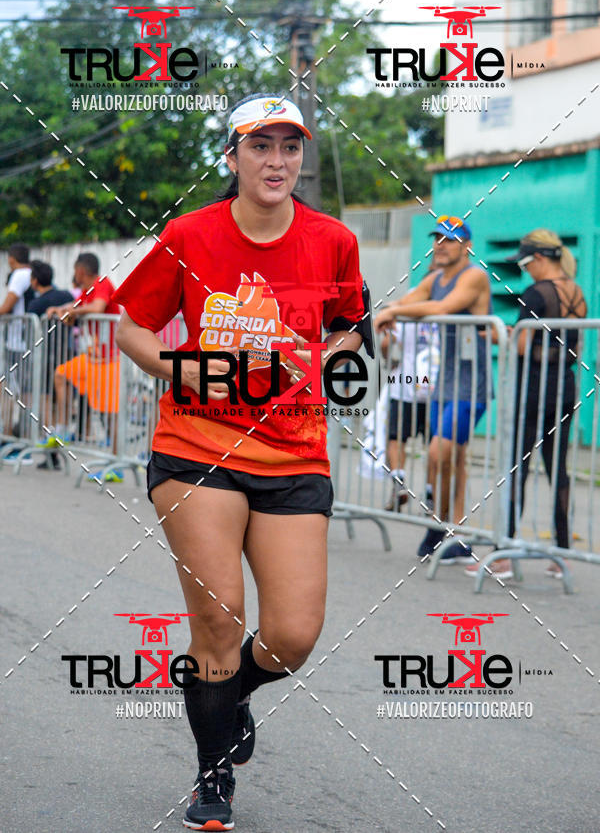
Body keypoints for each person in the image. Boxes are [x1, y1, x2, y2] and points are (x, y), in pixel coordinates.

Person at [114, 93, 368, 831]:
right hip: (197, 446)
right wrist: (186, 369)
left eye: (290, 147)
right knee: (220, 619)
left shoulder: (333, 241)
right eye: (260, 146)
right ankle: (213, 772)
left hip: (294, 450)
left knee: (292, 636)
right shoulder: (190, 234)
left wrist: (323, 359)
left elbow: (350, 326)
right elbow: (132, 328)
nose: (276, 161)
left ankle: (229, 696)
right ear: (232, 157)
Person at [466, 229, 587, 581]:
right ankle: (561, 554)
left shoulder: (536, 293)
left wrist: (501, 335)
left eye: (525, 263)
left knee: (516, 467)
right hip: (564, 387)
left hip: (533, 389)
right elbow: (568, 343)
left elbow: (522, 344)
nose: (525, 270)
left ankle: (502, 555)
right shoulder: (576, 292)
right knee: (557, 469)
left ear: (540, 259)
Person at [374, 215, 492, 563]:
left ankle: (441, 527)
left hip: (471, 383)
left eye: (450, 240)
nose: (441, 245)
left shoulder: (474, 276)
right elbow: (408, 301)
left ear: (467, 246)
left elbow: (441, 308)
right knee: (452, 460)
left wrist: (391, 313)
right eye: (437, 238)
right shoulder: (434, 278)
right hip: (444, 380)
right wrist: (391, 310)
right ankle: (453, 532)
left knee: (440, 454)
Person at [43, 253, 120, 451]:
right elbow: (74, 306)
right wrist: (59, 309)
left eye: (74, 270)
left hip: (110, 359)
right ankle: (61, 430)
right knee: (61, 374)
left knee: (111, 412)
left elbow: (97, 307)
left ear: (80, 271)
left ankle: (117, 460)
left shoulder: (102, 283)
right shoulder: (87, 290)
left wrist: (71, 312)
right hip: (94, 358)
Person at [380, 317, 440, 511]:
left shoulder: (406, 314)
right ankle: (430, 495)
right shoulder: (443, 310)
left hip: (404, 387)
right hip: (436, 388)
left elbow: (386, 343)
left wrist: (389, 360)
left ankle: (398, 483)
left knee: (396, 439)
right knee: (433, 444)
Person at [28, 261, 73, 466]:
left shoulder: (36, 305)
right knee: (59, 401)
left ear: (35, 281)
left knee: (46, 399)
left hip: (45, 355)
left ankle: (51, 448)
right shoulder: (66, 296)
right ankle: (57, 442)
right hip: (66, 353)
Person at [0, 243, 32, 437]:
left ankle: (9, 434)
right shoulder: (32, 273)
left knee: (9, 389)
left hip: (17, 342)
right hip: (27, 340)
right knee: (24, 390)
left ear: (12, 258)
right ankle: (21, 434)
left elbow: (7, 306)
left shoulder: (19, 275)